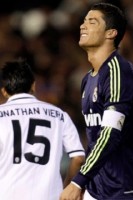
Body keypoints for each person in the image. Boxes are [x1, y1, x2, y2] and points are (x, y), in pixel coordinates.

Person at [60, 2, 133, 200]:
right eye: (84, 21)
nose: (82, 25)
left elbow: (110, 134)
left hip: (128, 191)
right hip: (98, 191)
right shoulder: (88, 79)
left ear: (110, 33)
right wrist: (85, 185)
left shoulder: (119, 74)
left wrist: (78, 180)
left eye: (92, 21)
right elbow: (94, 138)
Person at [0, 60, 85, 200]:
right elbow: (78, 158)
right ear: (33, 85)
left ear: (4, 91)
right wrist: (68, 186)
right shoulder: (59, 115)